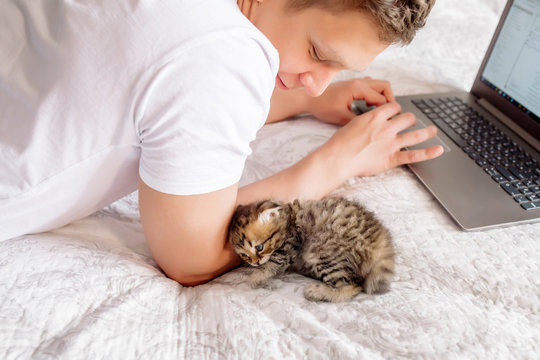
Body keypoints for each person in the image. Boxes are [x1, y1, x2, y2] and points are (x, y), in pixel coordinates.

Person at [0, 0, 442, 285]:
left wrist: (304, 96)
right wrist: (336, 161)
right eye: (319, 55)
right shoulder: (220, 57)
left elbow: (166, 97)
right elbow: (190, 255)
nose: (315, 84)